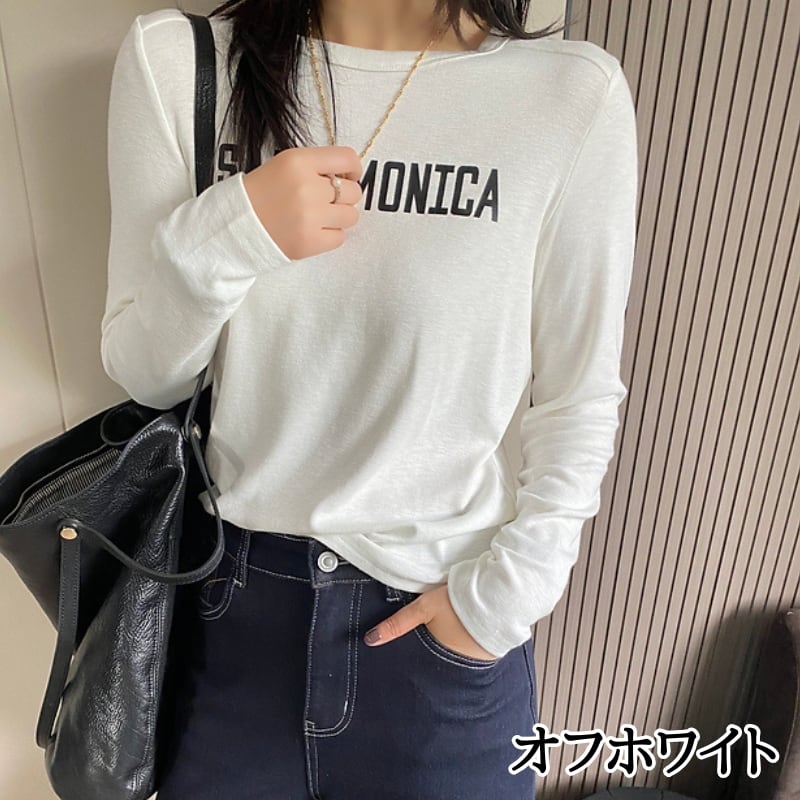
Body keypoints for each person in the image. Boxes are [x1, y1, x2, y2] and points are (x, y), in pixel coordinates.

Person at [101, 1, 638, 797]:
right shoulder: (180, 63)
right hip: (231, 619)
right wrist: (235, 230)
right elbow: (147, 375)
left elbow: (578, 393)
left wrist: (503, 601)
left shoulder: (568, 95)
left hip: (441, 640)